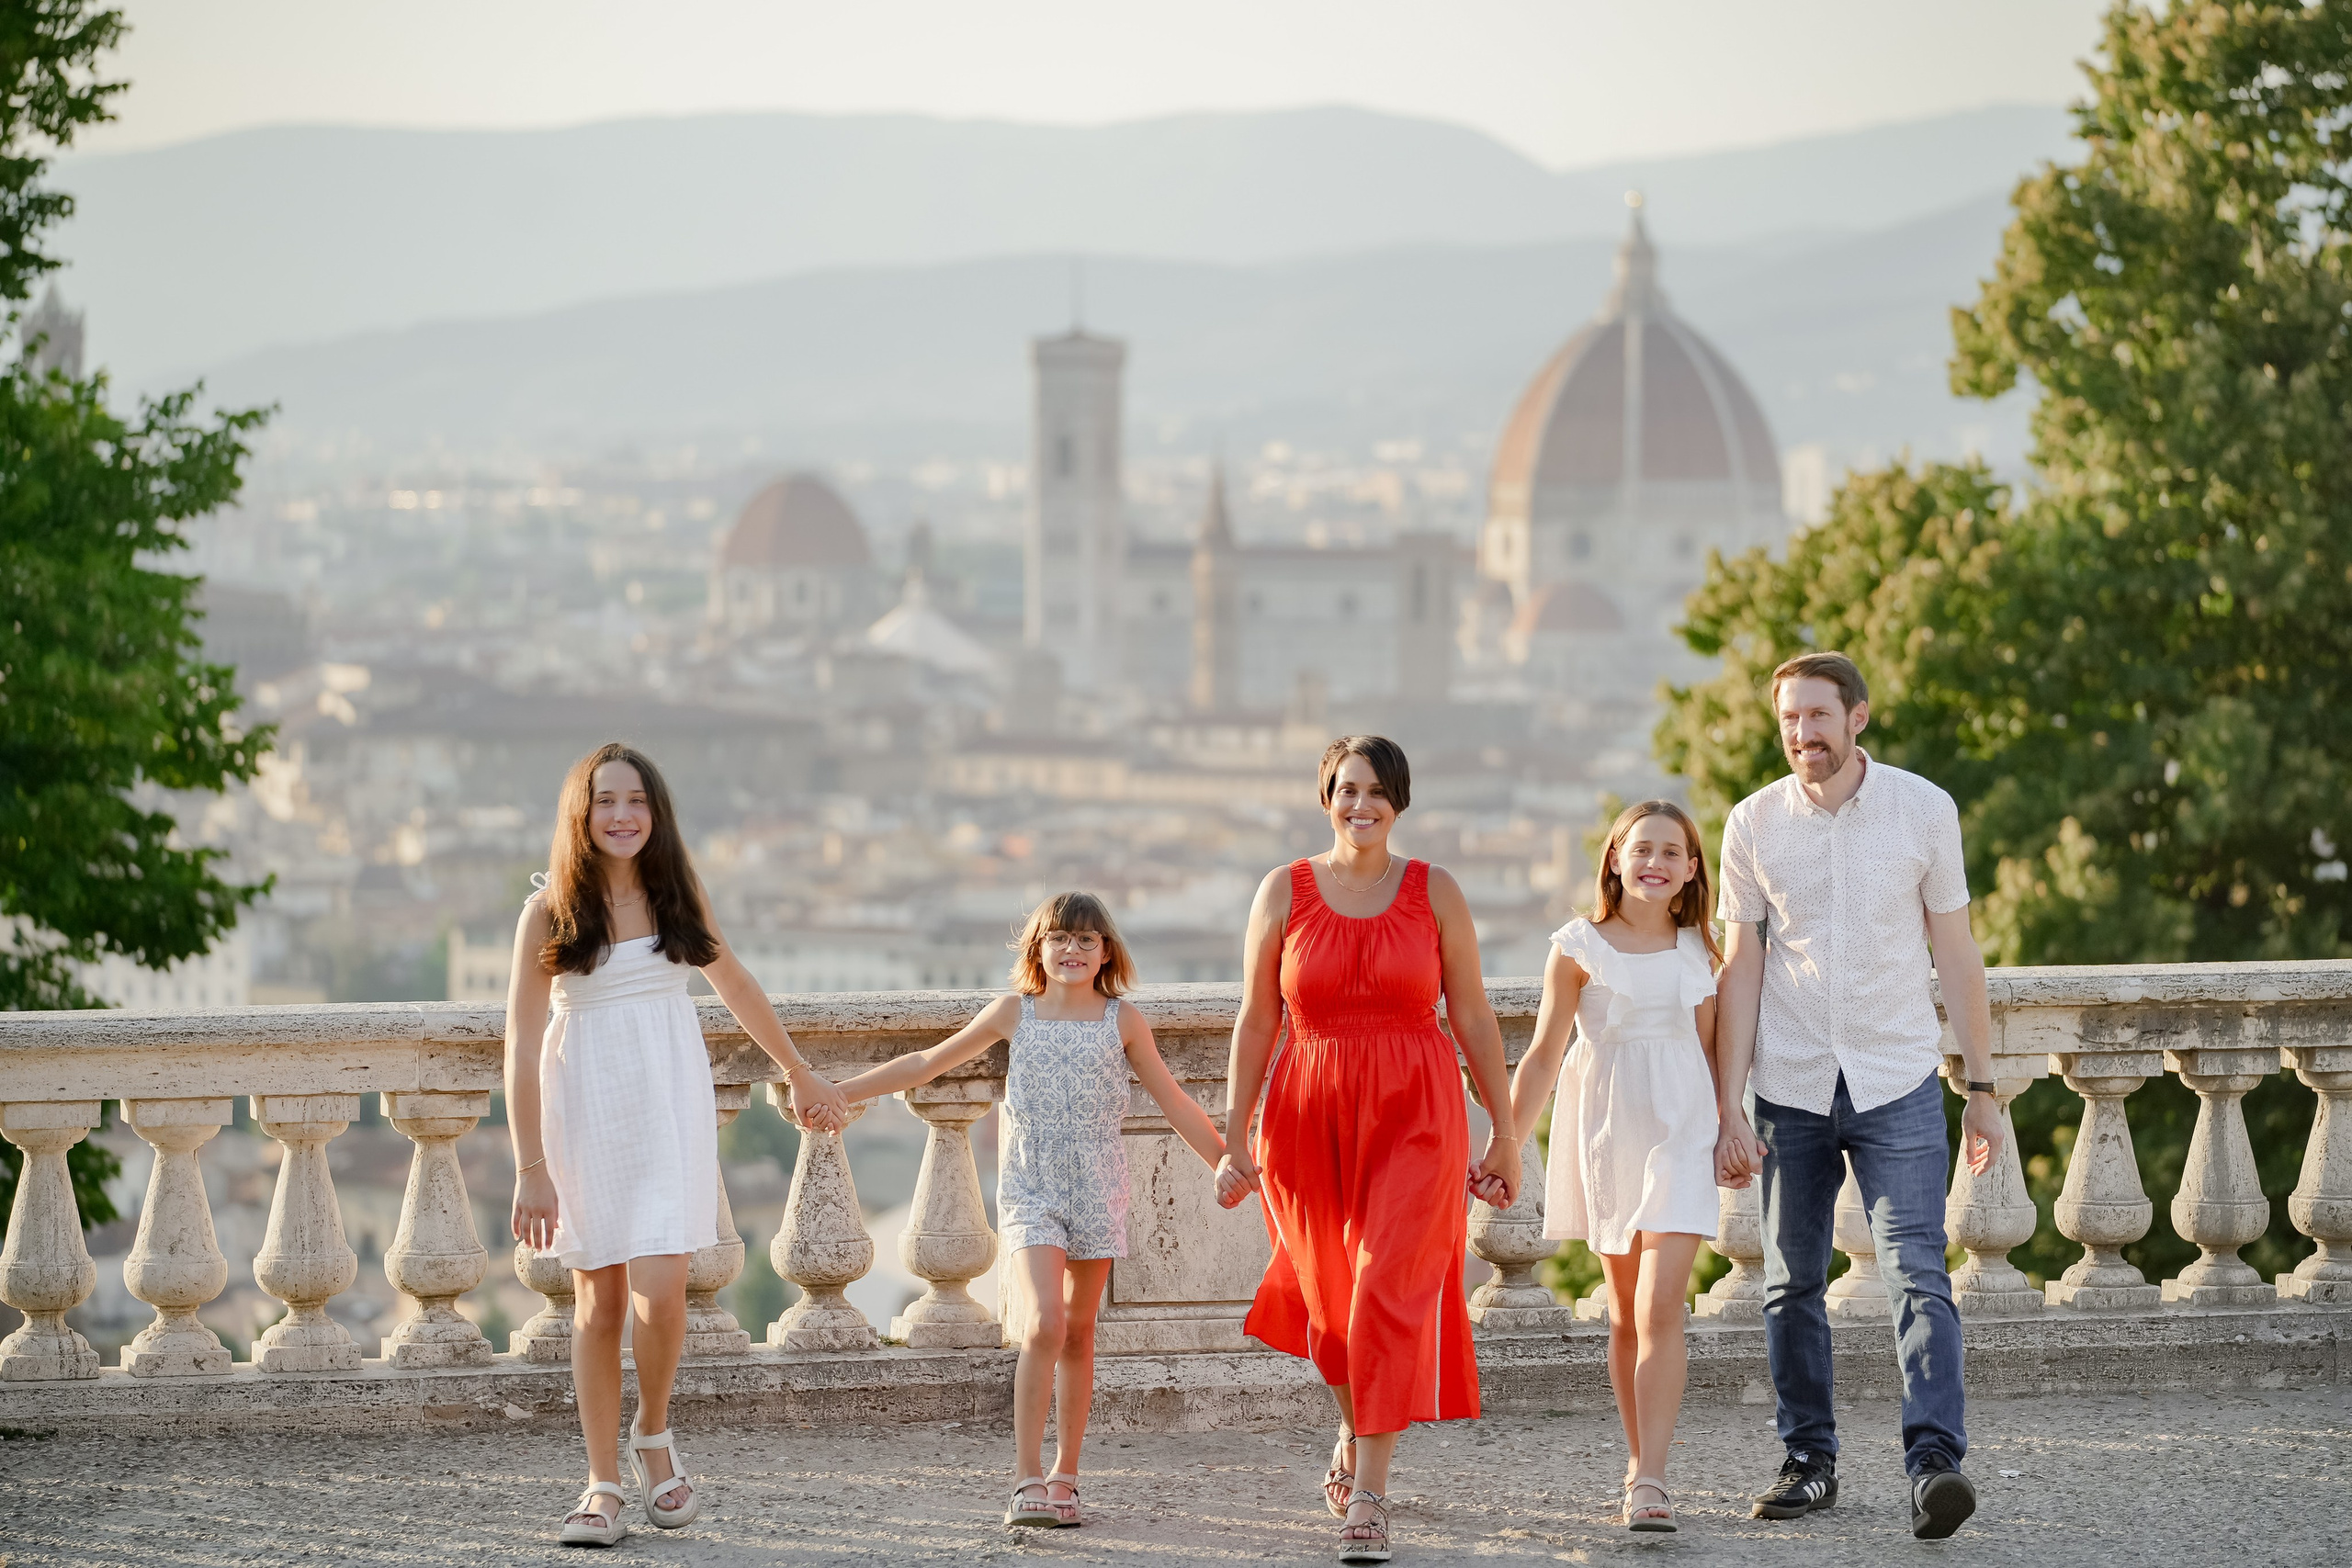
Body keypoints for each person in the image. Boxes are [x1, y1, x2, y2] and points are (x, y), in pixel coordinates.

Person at [504, 741, 848, 1548]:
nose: (622, 815)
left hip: (667, 1102)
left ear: (655, 813)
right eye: (605, 801)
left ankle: (652, 1433)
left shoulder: (676, 893)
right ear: (580, 815)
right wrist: (530, 1166)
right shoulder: (548, 910)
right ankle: (602, 1483)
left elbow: (735, 983)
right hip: (585, 1106)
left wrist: (797, 1070)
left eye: (637, 801)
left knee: (664, 1294)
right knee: (599, 1304)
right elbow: (519, 1047)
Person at [1712, 652, 2003, 1541]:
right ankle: (1807, 1463)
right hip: (1788, 1083)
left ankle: (1933, 1468)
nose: (1802, 734)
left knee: (1919, 1275)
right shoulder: (1751, 822)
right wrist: (1727, 1105)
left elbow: (1955, 954)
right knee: (1789, 1284)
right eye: (1789, 720)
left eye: (1817, 717)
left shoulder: (1924, 809)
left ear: (1857, 718)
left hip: (1897, 1079)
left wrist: (1982, 1090)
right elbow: (1741, 965)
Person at [825, 891, 1227, 1532]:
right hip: (1033, 1189)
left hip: (1099, 1189)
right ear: (1038, 949)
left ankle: (1067, 1473)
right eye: (1059, 937)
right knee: (1042, 1323)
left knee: (1078, 1332)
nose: (1071, 948)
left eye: (1086, 939)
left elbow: (1175, 1100)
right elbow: (929, 1062)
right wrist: (841, 1090)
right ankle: (1025, 1476)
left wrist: (1225, 1160)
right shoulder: (1017, 1011)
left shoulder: (1122, 1021)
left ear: (1106, 953)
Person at [1215, 735, 1521, 1565]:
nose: (1362, 804)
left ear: (1401, 801)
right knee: (1329, 1305)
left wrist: (1506, 1128)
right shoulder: (1283, 889)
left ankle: (1372, 1495)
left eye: (1378, 791)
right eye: (1348, 789)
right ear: (1326, 796)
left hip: (1418, 1109)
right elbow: (1255, 1019)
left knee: (1386, 1287)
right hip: (1307, 1112)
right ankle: (1355, 1428)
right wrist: (1234, 1133)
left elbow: (1476, 1017)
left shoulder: (1435, 891)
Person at [1507, 800, 1724, 1533]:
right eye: (1642, 849)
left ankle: (1654, 1477)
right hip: (1607, 1126)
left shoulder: (1704, 947)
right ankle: (1637, 1464)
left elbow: (1711, 1050)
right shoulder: (1577, 945)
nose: (1655, 862)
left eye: (1672, 851)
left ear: (1692, 868)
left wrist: (1733, 1126)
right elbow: (1542, 1053)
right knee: (1627, 1311)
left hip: (1684, 1124)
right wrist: (1507, 1137)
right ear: (1615, 858)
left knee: (1664, 1304)